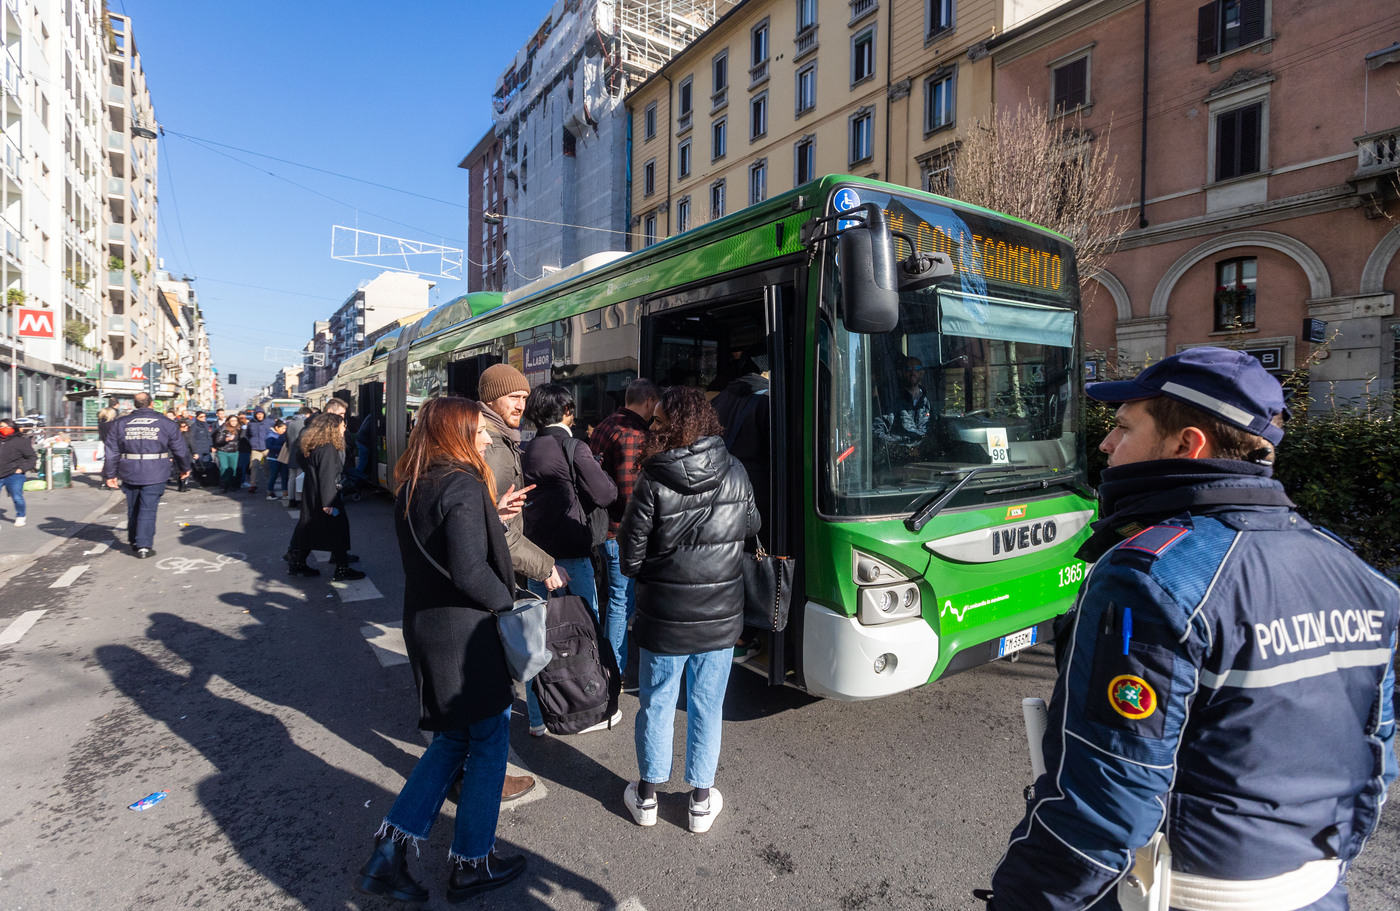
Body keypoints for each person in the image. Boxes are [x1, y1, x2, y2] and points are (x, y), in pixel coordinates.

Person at [984, 347, 1398, 911]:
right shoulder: (1359, 575)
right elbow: (1376, 755)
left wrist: (1024, 900)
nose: (1106, 444)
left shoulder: (1149, 576)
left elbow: (1106, 801)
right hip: (1320, 890)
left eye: (1125, 428)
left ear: (1187, 445)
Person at [355, 397, 528, 903]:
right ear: (455, 433)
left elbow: (446, 546)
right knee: (491, 738)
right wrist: (510, 606)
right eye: (478, 431)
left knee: (452, 741)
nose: (488, 439)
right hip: (466, 634)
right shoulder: (464, 482)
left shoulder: (414, 483)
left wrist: (489, 516)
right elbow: (472, 570)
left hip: (427, 626)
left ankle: (388, 851)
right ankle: (472, 862)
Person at [618, 386, 759, 834]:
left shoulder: (652, 478)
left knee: (657, 703)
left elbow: (630, 559)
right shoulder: (735, 470)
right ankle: (700, 801)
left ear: (678, 426)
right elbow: (752, 525)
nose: (651, 428)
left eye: (658, 422)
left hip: (664, 618)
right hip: (720, 617)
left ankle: (646, 798)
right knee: (706, 706)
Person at [476, 364, 563, 799]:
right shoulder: (491, 446)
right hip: (491, 576)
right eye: (513, 396)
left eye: (525, 398)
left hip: (492, 573)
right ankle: (488, 774)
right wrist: (545, 566)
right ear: (492, 397)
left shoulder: (500, 438)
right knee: (494, 679)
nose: (521, 405)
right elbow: (497, 532)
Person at [520, 383, 619, 736]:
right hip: (572, 555)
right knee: (580, 633)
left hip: (534, 557)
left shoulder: (526, 449)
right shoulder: (574, 446)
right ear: (567, 412)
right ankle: (585, 705)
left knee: (538, 638)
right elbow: (606, 493)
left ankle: (537, 717)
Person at [589, 378, 660, 677]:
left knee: (617, 599)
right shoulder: (632, 433)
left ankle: (610, 664)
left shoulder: (607, 424)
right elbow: (630, 494)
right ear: (647, 402)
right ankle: (613, 669)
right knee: (621, 602)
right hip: (620, 531)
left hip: (604, 527)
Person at [102, 392, 191, 558]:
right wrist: (185, 467)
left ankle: (134, 541)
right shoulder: (166, 423)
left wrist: (109, 474)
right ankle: (144, 545)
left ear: (135, 404)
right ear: (151, 404)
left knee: (133, 506)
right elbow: (180, 449)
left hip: (129, 469)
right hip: (155, 470)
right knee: (148, 508)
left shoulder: (121, 423)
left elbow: (112, 451)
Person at [285, 413, 365, 581]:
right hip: (328, 500)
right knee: (339, 528)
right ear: (333, 428)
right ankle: (342, 568)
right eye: (342, 425)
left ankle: (298, 563)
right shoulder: (328, 448)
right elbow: (328, 476)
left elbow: (306, 465)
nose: (345, 428)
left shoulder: (314, 445)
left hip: (313, 495)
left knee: (310, 530)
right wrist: (330, 503)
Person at [0, 418, 37, 526]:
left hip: (14, 475)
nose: (4, 429)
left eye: (7, 427)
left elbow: (32, 457)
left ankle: (21, 515)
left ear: (13, 428)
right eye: (1, 426)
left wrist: (22, 469)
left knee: (17, 497)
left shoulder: (21, 441)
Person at [283, 406, 311, 508]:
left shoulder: (290, 423)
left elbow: (286, 440)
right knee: (300, 478)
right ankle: (299, 499)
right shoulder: (303, 424)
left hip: (291, 453)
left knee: (291, 478)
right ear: (307, 414)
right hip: (300, 454)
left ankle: (291, 499)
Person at [243, 408, 272, 494]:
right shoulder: (251, 423)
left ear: (264, 414)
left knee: (267, 467)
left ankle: (269, 484)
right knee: (254, 466)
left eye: (261, 414)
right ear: (255, 415)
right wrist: (252, 443)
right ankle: (253, 485)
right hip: (255, 448)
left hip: (267, 448)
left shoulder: (269, 422)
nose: (260, 416)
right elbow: (247, 435)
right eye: (258, 414)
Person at [212, 416, 242, 492]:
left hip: (234, 452)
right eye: (232, 421)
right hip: (223, 451)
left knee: (232, 469)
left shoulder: (238, 429)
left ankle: (231, 484)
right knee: (224, 467)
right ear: (228, 421)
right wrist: (226, 439)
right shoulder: (223, 429)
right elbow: (218, 441)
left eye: (235, 420)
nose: (234, 422)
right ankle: (223, 484)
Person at [265, 419, 289, 501]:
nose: (284, 430)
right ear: (276, 428)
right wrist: (282, 448)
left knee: (285, 475)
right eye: (282, 429)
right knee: (273, 475)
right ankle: (270, 492)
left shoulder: (284, 435)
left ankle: (285, 492)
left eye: (285, 429)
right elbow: (269, 446)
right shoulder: (270, 435)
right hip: (273, 458)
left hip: (283, 458)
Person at [187, 411, 213, 486]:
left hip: (206, 449)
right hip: (198, 450)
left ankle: (207, 481)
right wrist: (194, 452)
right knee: (199, 467)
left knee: (208, 466)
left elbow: (209, 437)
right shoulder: (194, 426)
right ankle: (201, 481)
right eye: (201, 417)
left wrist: (212, 446)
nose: (203, 418)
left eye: (204, 416)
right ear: (197, 418)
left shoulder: (206, 425)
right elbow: (192, 439)